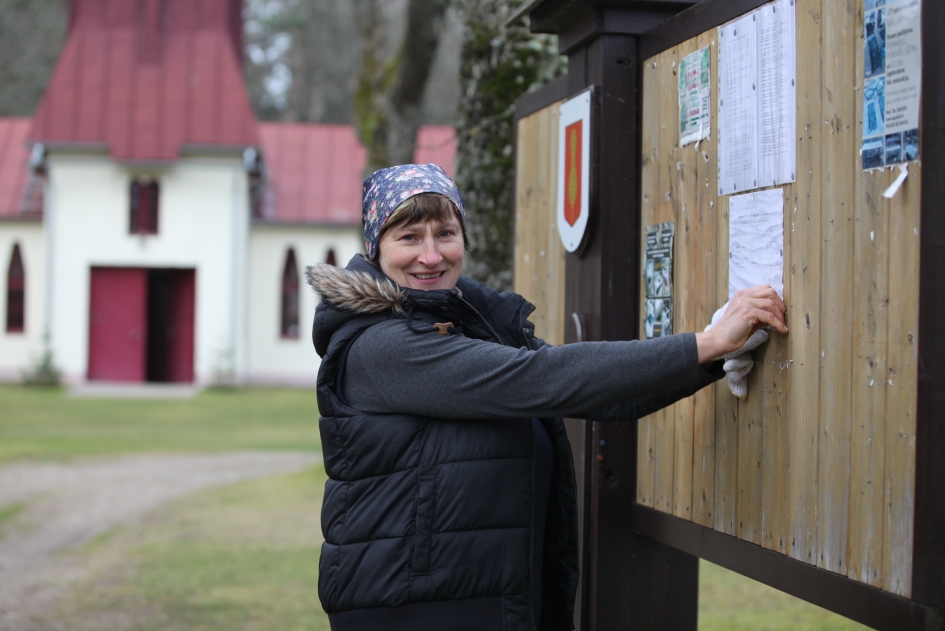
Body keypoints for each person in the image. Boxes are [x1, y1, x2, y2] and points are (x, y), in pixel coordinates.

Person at [305, 164, 787, 631]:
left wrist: (716, 353)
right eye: (409, 237)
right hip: (414, 610)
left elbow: (600, 399)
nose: (431, 256)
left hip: (484, 597)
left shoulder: (474, 324)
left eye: (445, 234)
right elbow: (544, 378)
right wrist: (708, 341)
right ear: (375, 249)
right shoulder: (379, 346)